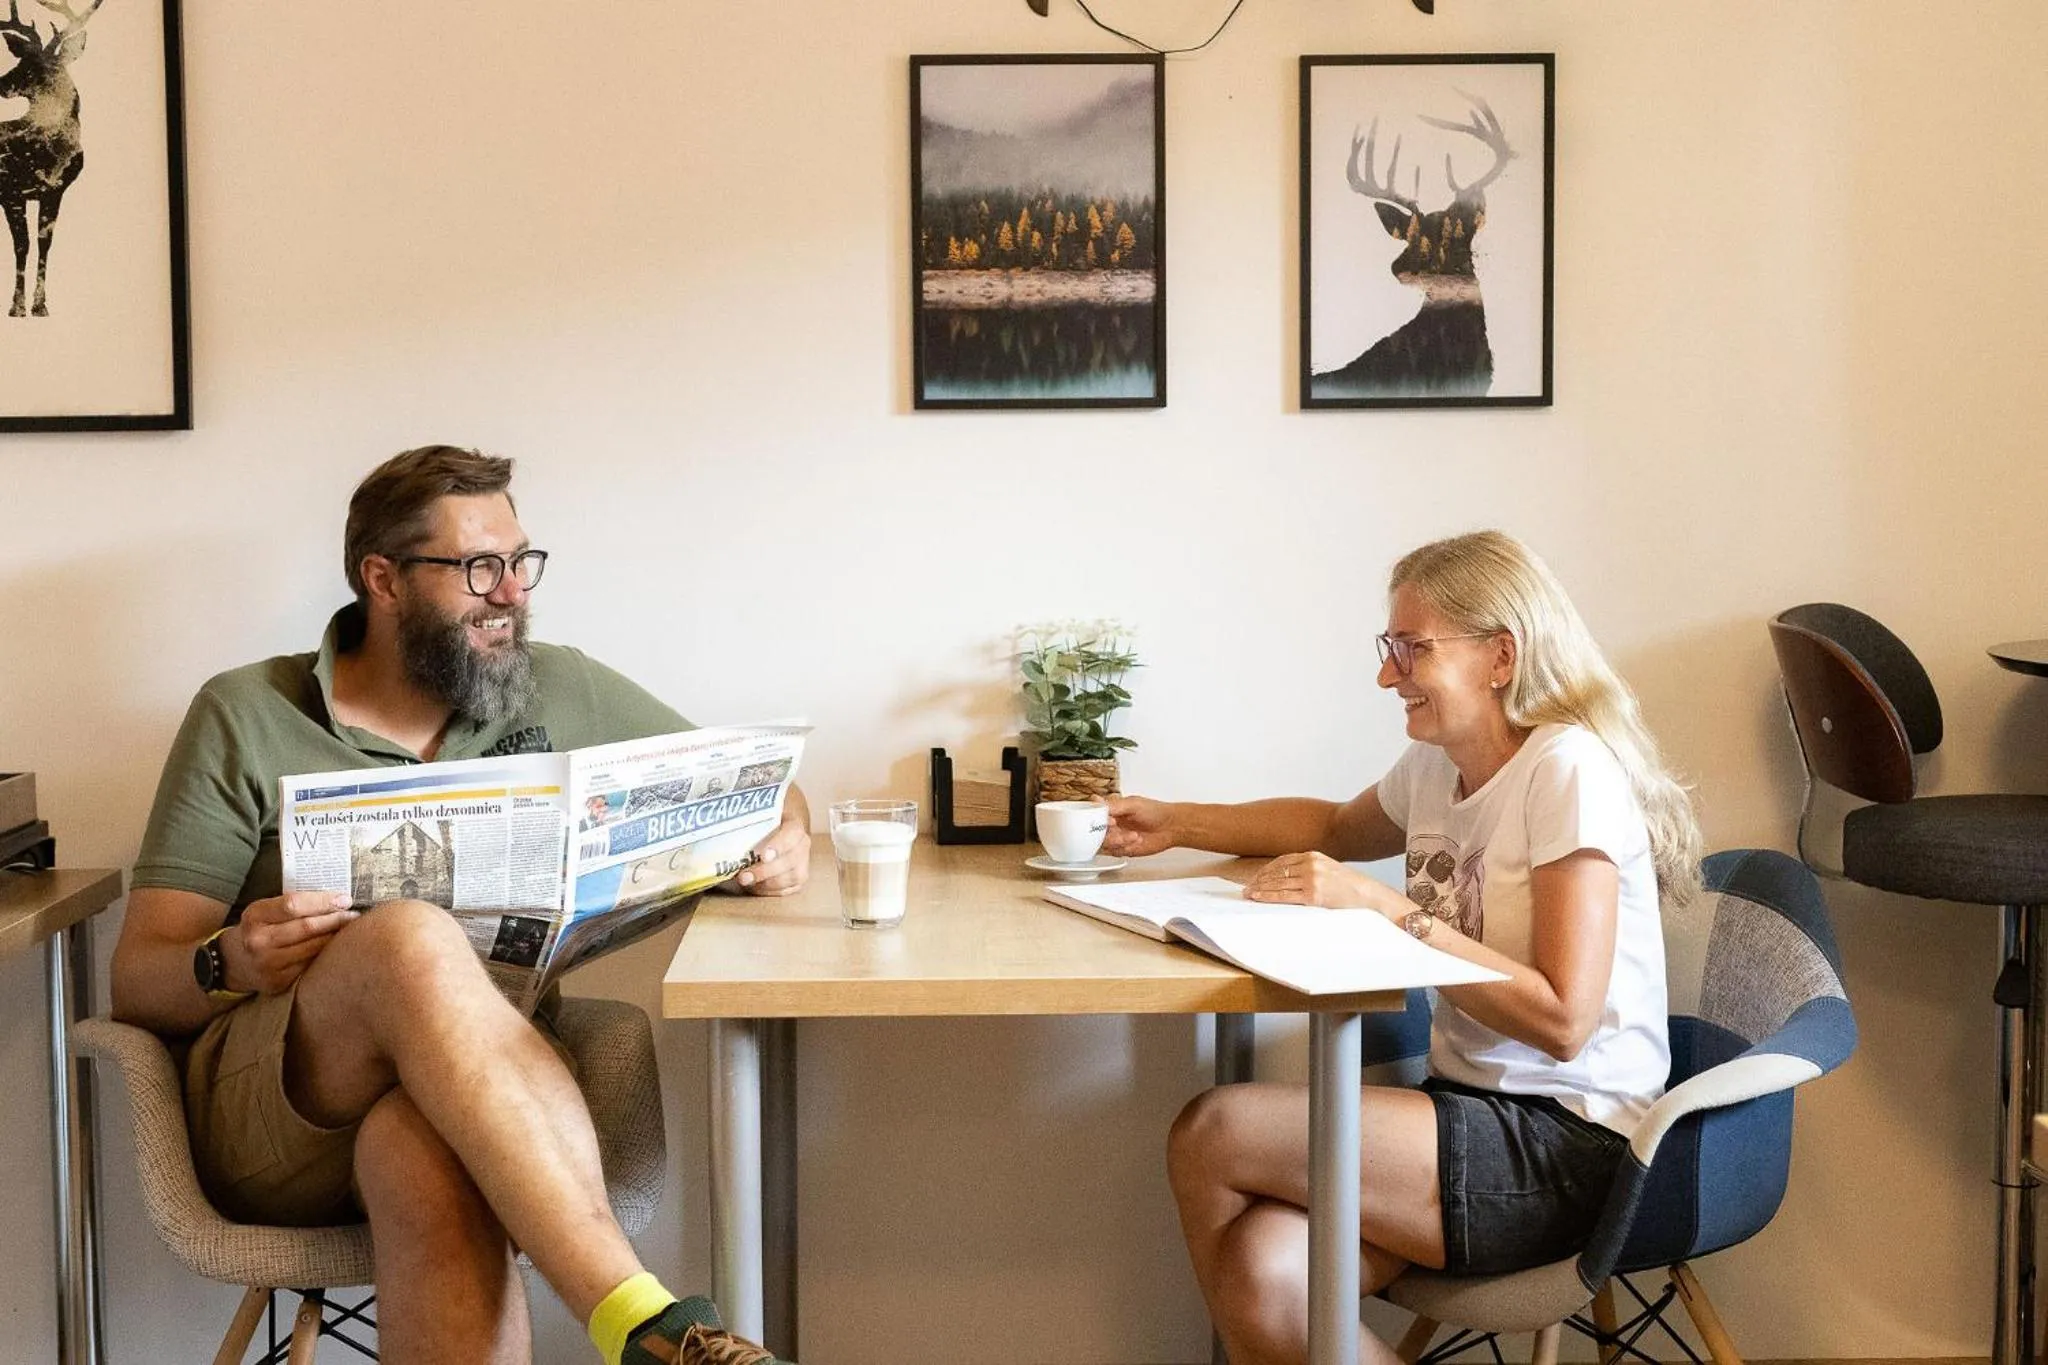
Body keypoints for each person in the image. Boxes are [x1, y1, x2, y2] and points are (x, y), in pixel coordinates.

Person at [112, 445, 810, 1365]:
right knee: (406, 935)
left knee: (424, 1145)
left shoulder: (561, 684)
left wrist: (779, 833)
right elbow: (138, 978)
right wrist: (230, 957)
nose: (513, 591)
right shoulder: (245, 711)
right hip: (280, 1107)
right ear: (383, 579)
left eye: (522, 562)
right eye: (480, 567)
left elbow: (753, 787)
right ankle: (645, 1323)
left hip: (479, 1096)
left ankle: (652, 1333)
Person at [1105, 530, 1701, 1365]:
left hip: (1571, 1144)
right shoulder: (1435, 766)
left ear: (1501, 655)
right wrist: (1176, 822)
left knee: (1212, 1130)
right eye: (1391, 648)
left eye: (1412, 649)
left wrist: (1391, 912)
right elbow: (1333, 829)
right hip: (1465, 1110)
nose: (1389, 675)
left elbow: (1567, 1020)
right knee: (1263, 1271)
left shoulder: (1568, 772)